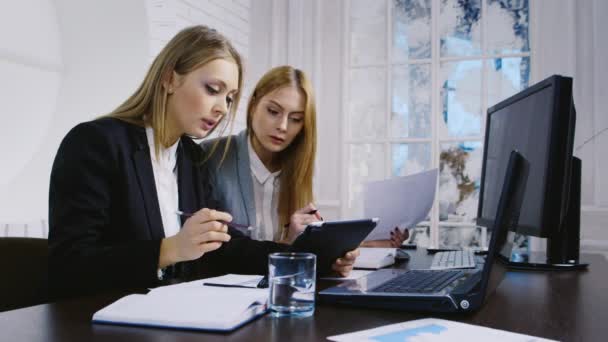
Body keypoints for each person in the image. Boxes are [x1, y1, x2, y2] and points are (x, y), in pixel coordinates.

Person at [48, 26, 357, 299]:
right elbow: (71, 266)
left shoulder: (191, 157)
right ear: (169, 79)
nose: (222, 108)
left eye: (230, 97)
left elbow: (225, 246)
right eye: (213, 90)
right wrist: (169, 250)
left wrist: (311, 255)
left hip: (176, 320)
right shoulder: (96, 143)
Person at [201, 65, 408, 247]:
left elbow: (307, 248)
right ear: (254, 105)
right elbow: (220, 254)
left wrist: (370, 246)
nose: (282, 126)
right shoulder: (211, 156)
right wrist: (288, 244)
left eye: (296, 119)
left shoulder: (296, 170)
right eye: (273, 111)